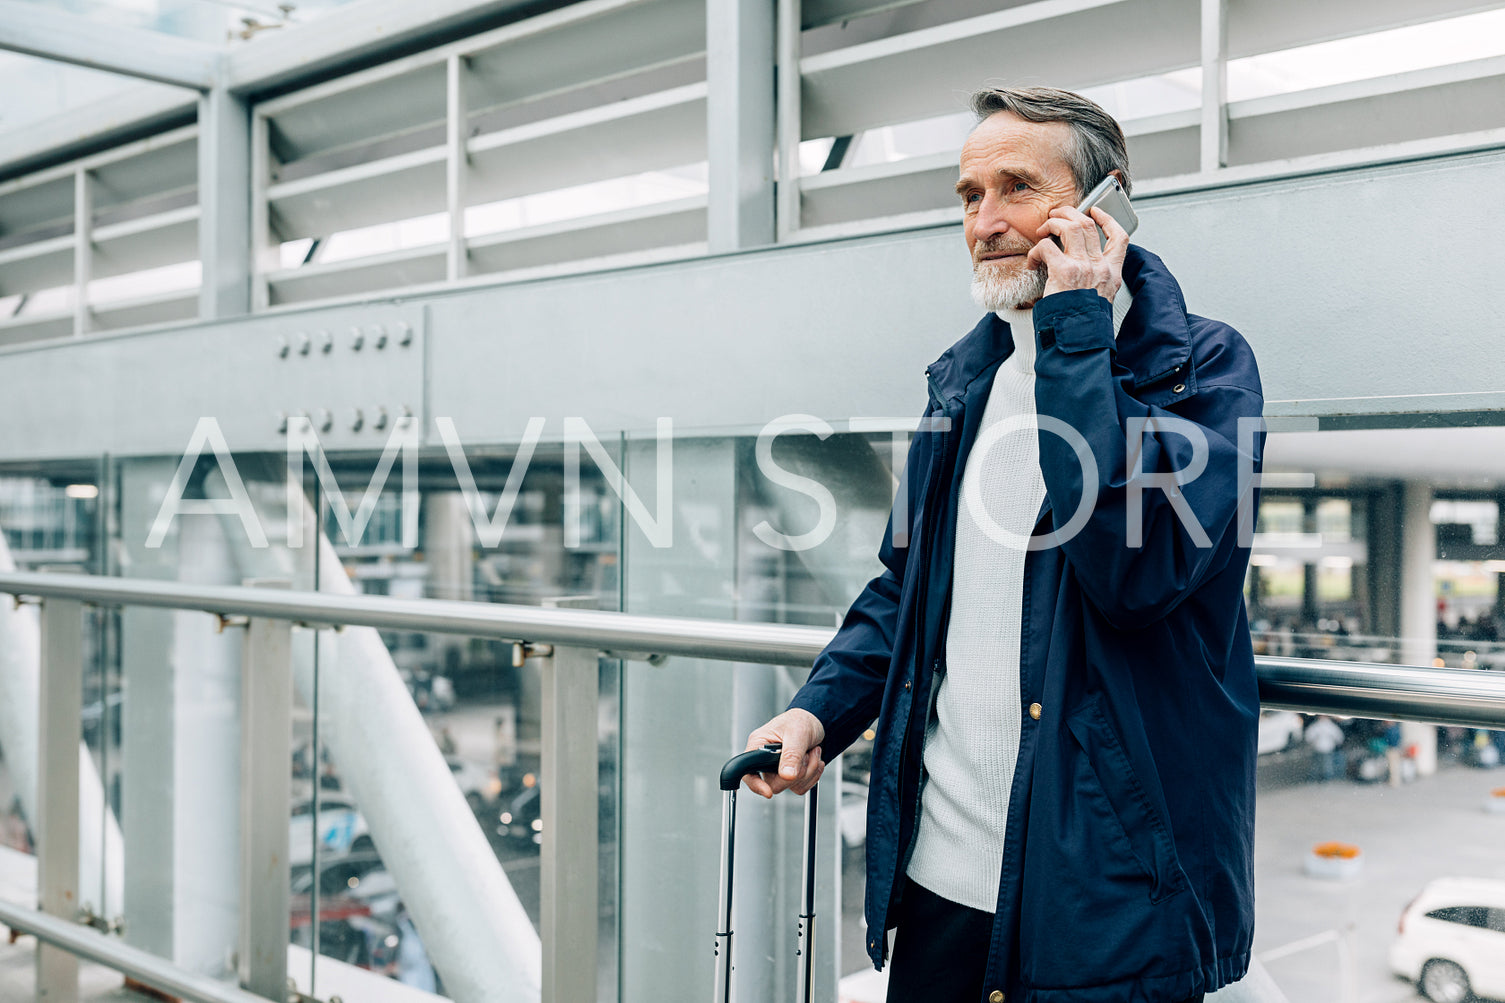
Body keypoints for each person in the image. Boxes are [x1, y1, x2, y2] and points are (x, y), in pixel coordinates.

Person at [741, 86, 1264, 1003]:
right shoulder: (963, 383)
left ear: (1105, 207)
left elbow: (1132, 569)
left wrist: (1075, 333)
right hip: (939, 886)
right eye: (967, 196)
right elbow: (904, 590)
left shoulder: (1203, 370)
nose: (983, 222)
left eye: (1016, 187)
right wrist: (819, 711)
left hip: (1103, 904)